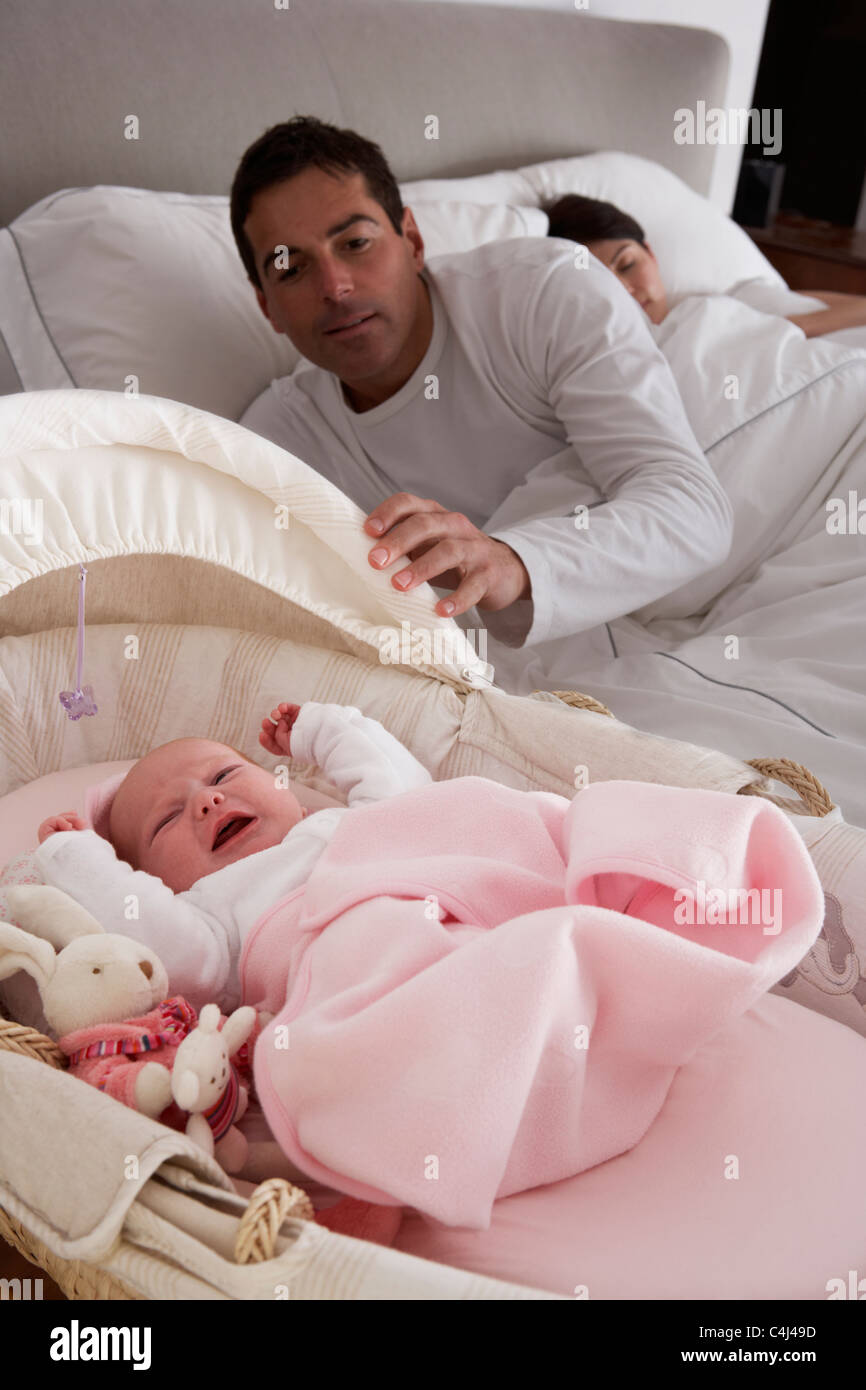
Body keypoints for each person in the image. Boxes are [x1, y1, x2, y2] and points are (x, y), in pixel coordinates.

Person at [31, 698, 823, 1227]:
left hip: (462, 892)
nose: (205, 800)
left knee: (561, 847)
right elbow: (166, 947)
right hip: (374, 966)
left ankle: (671, 888)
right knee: (491, 981)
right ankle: (513, 1045)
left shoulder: (346, 820)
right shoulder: (214, 917)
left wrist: (320, 729)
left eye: (224, 775)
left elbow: (401, 783)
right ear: (154, 879)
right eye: (170, 817)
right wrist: (75, 857)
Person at [231, 117, 733, 650]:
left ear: (413, 241)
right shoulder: (278, 441)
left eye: (355, 241)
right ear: (268, 307)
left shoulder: (545, 292)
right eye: (290, 268)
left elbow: (692, 509)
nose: (335, 286)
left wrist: (510, 564)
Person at [546, 192, 866, 339]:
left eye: (628, 265)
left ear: (651, 253)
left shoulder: (719, 304)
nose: (627, 290)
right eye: (605, 284)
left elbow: (794, 303)